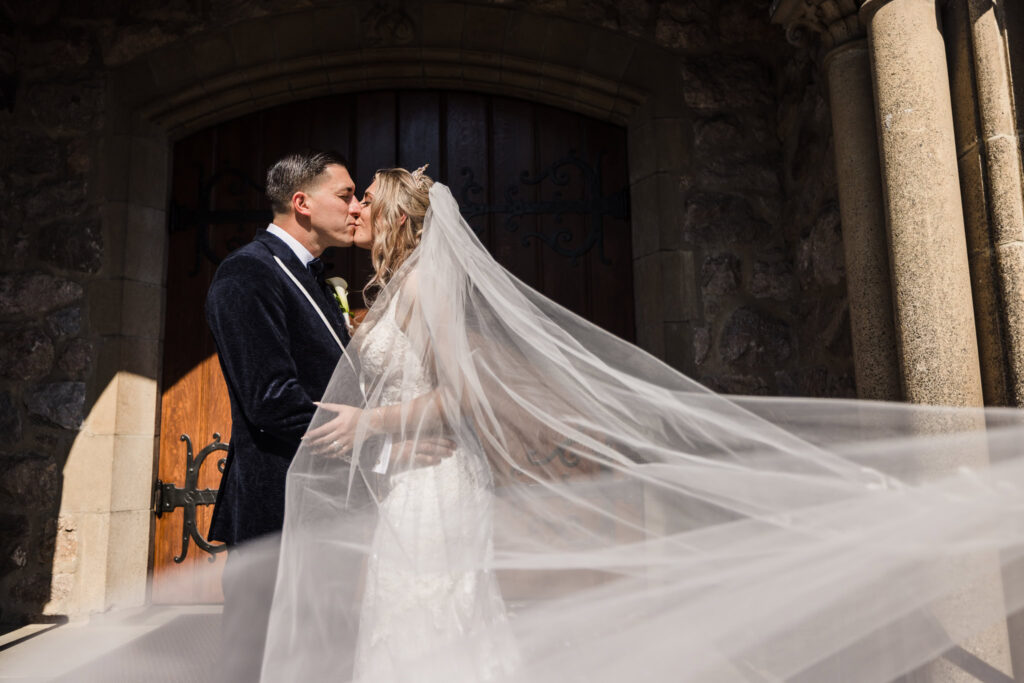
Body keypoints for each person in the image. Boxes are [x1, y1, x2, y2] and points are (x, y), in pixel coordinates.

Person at [261, 167, 1024, 683]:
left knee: (430, 612)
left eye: (367, 200)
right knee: (411, 615)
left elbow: (463, 396)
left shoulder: (426, 286)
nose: (355, 208)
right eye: (349, 198)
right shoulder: (395, 287)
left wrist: (373, 422)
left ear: (395, 217)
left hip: (434, 488)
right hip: (413, 482)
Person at [205, 150, 360, 682]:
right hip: (277, 501)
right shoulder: (247, 273)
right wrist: (379, 440)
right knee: (257, 653)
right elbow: (272, 400)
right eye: (345, 194)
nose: (357, 207)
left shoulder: (316, 278)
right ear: (302, 203)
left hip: (325, 504)